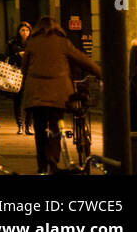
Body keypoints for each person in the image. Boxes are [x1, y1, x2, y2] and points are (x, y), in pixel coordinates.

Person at [21, 16, 102, 174]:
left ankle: (42, 165)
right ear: (56, 27)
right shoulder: (63, 42)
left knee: (39, 128)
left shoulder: (32, 41)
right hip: (57, 93)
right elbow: (83, 60)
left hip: (35, 93)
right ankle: (52, 157)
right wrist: (101, 73)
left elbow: (24, 68)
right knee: (55, 126)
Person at [6, 21, 33, 134]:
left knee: (30, 100)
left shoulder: (33, 42)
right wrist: (17, 55)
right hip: (16, 73)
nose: (25, 32)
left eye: (27, 30)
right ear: (18, 31)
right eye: (22, 30)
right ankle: (20, 125)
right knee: (17, 100)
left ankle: (29, 126)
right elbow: (8, 56)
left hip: (30, 73)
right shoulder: (13, 42)